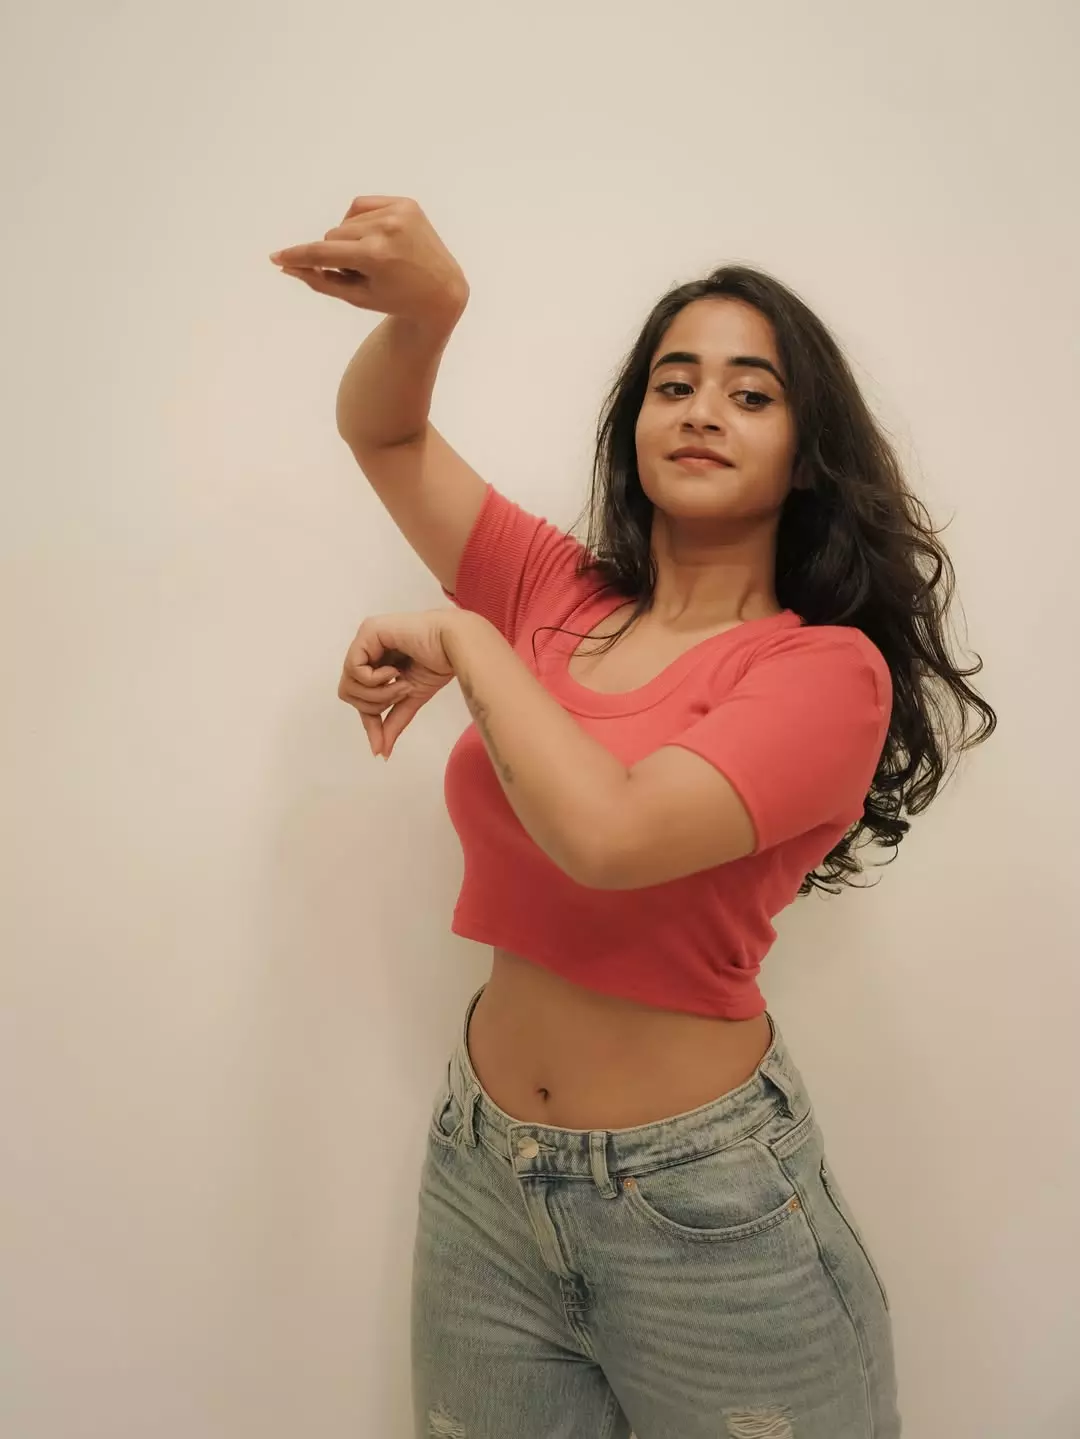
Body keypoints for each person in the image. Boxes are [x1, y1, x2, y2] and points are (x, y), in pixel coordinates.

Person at [270, 195, 995, 1439]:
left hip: (706, 1208)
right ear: (636, 421)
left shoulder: (825, 672)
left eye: (751, 393)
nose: (703, 409)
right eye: (675, 383)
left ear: (807, 451)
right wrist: (432, 313)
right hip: (485, 1177)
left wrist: (466, 640)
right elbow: (383, 432)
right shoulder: (553, 592)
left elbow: (607, 835)